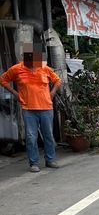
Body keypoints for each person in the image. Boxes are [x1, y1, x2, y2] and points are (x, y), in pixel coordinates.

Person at [0, 42, 62, 172]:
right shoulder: (17, 69)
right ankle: (33, 163)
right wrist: (15, 94)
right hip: (28, 109)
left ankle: (50, 160)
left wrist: (52, 93)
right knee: (31, 137)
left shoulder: (45, 68)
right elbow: (3, 80)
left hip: (46, 108)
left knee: (48, 135)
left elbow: (57, 81)